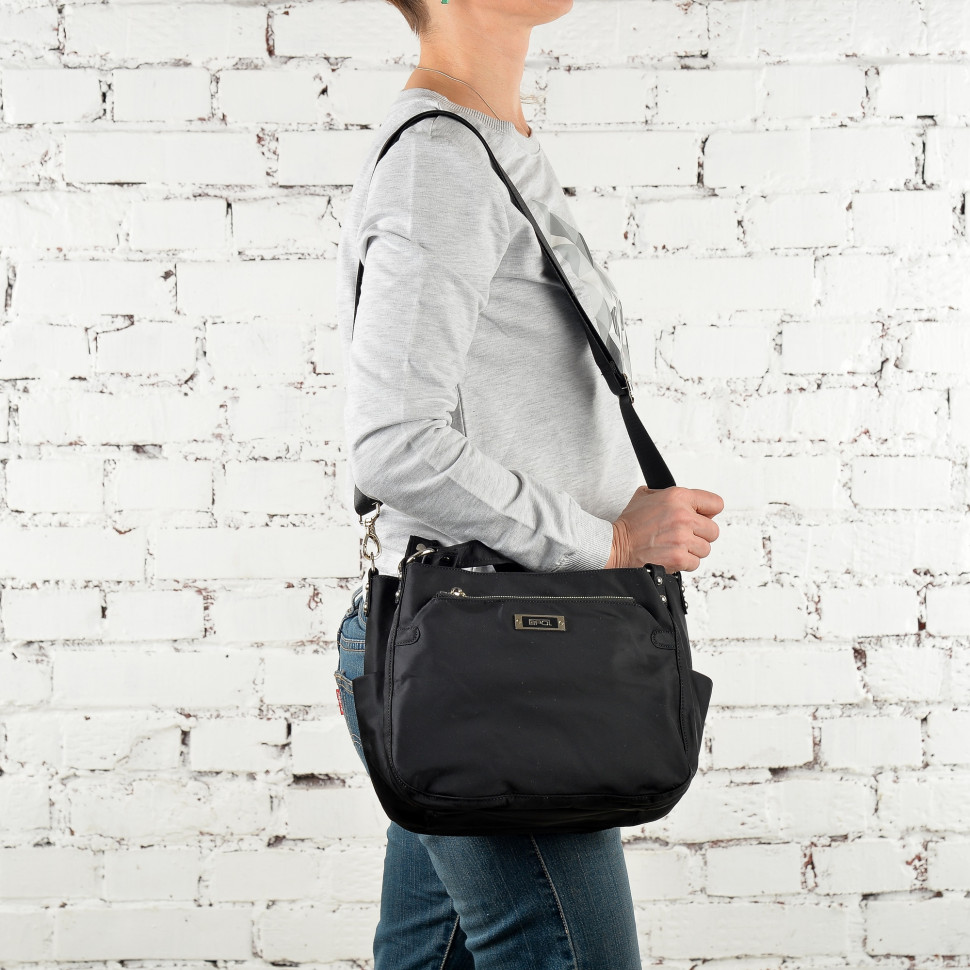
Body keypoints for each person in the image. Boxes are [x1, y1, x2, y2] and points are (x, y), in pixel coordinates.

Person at [333, 1, 724, 966]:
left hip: (475, 645)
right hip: (490, 656)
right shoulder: (443, 163)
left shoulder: (489, 145)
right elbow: (393, 443)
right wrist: (610, 542)